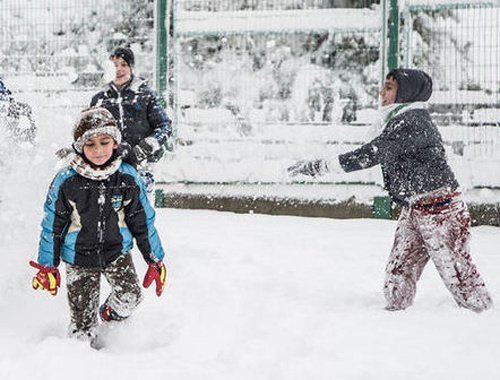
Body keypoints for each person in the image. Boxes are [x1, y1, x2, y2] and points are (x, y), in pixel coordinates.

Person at [288, 68, 493, 313]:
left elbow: (369, 155)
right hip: (415, 207)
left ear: (405, 92)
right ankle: (394, 317)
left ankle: (483, 314)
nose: (382, 92)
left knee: (458, 273)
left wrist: (318, 167)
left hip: (441, 211)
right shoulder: (398, 120)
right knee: (399, 270)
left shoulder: (413, 122)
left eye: (389, 87)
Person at [29, 107, 167, 347]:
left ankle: (109, 316)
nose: (98, 150)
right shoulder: (67, 180)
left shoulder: (127, 176)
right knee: (83, 328)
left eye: (104, 142)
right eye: (90, 144)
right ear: (80, 147)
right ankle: (82, 360)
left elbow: (143, 221)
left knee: (130, 297)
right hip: (78, 257)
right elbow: (52, 224)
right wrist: (47, 265)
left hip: (117, 252)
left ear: (115, 142)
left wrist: (154, 258)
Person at [90, 46, 172, 193]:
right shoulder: (100, 100)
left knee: (141, 208)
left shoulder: (146, 95)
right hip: (110, 164)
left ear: (131, 67)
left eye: (124, 65)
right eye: (114, 65)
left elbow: (164, 125)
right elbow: (90, 131)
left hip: (143, 164)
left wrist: (145, 147)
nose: (119, 69)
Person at [0, 75, 36, 144]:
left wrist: (11, 101)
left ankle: (26, 138)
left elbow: (6, 93)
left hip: (5, 103)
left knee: (26, 109)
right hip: (4, 106)